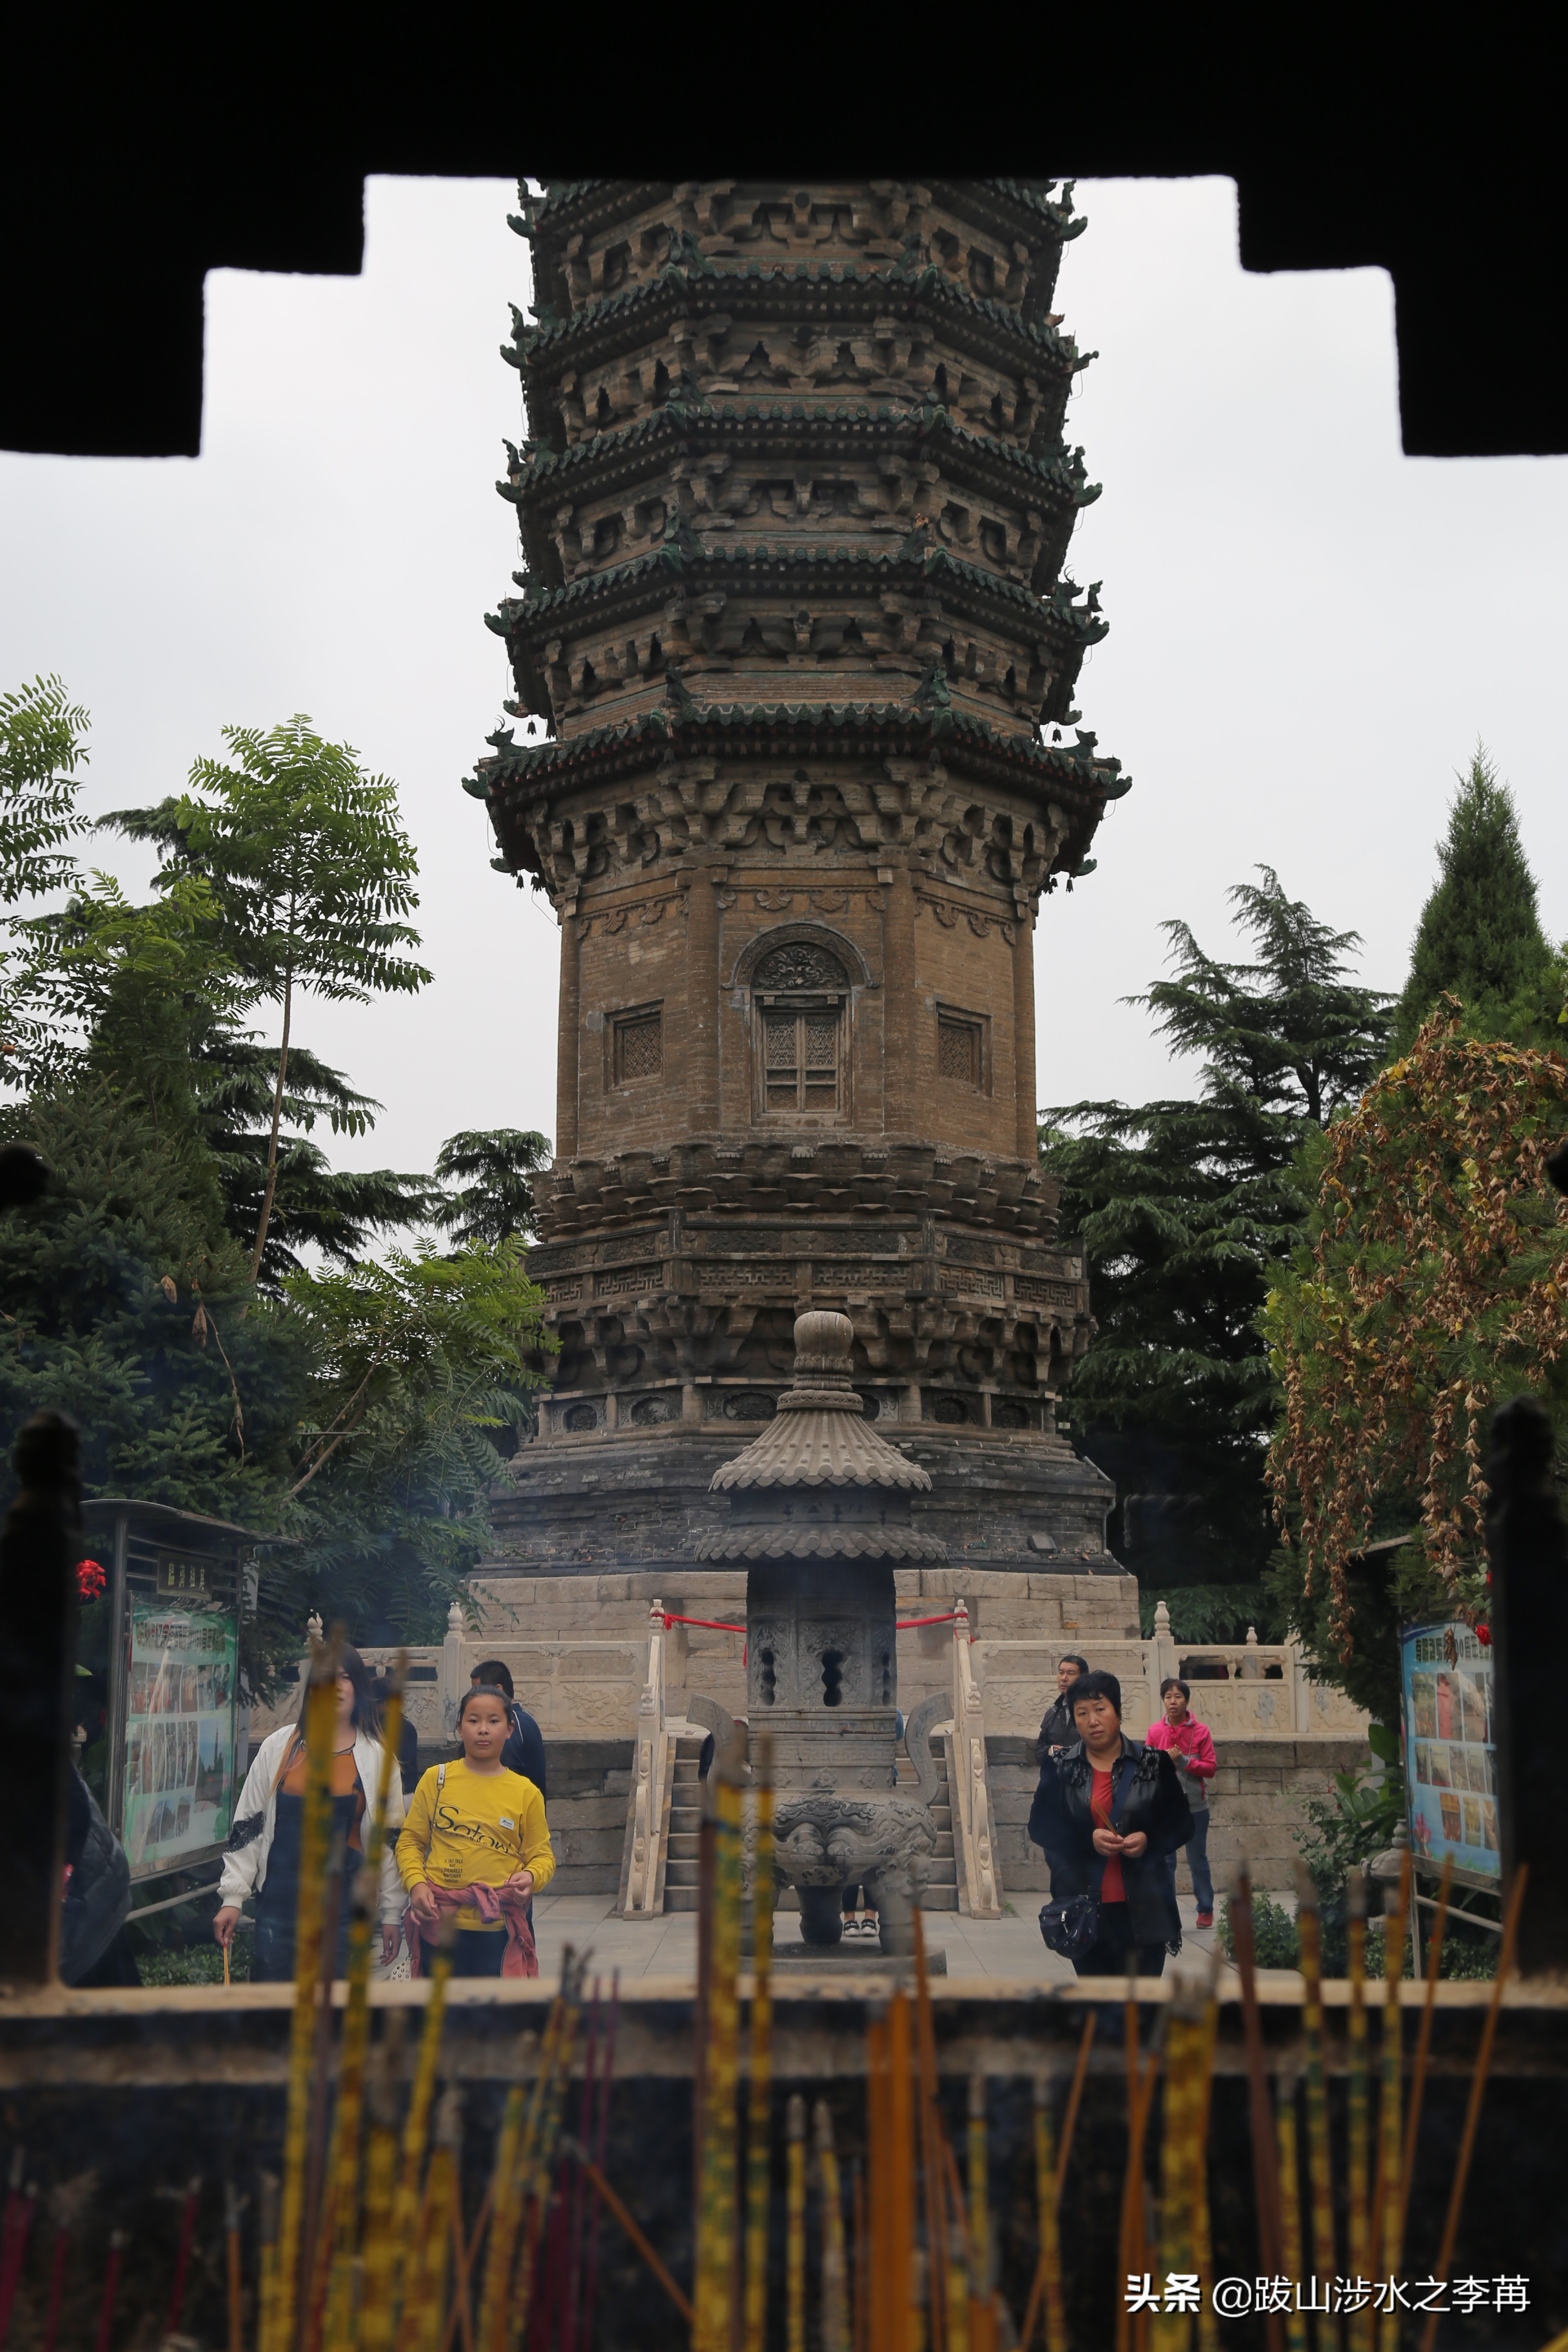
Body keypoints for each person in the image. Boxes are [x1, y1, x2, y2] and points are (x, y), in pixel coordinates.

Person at [214, 1647, 406, 1983]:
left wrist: (392, 1912)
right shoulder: (278, 1747)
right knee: (275, 2014)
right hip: (280, 1906)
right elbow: (248, 1826)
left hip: (346, 1909)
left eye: (345, 1678)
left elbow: (389, 1841)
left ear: (357, 1687)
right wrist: (233, 1896)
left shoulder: (378, 1758)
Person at [1028, 1668, 1191, 1979]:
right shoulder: (1060, 1767)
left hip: (1145, 1908)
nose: (1092, 1721)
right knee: (1100, 2012)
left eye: (1100, 1709)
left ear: (1117, 1711)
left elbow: (1182, 1823)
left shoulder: (1154, 1764)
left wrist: (1148, 1840)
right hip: (1084, 1909)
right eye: (1082, 1713)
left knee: (1141, 2011)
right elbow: (1040, 1826)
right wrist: (1088, 1840)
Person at [397, 1683, 554, 1979]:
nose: (483, 1730)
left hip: (497, 1932)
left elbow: (542, 1856)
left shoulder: (526, 1793)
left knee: (492, 2020)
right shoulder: (436, 1780)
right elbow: (411, 1842)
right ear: (460, 1728)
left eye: (493, 1721)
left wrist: (532, 1876)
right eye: (473, 1721)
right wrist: (416, 1884)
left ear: (509, 1729)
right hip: (439, 1925)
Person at [1145, 1676, 1217, 1928]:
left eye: (1178, 1697)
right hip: (1165, 1808)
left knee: (1197, 1859)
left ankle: (1206, 1909)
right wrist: (1164, 1760)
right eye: (1168, 1697)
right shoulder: (1155, 1731)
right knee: (1166, 1860)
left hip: (1195, 1806)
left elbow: (1210, 1768)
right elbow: (1147, 1767)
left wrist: (1185, 1762)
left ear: (1186, 1701)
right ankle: (1166, 1911)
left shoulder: (1201, 1731)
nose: (1172, 1702)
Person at [469, 1658, 547, 1799]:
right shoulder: (526, 1719)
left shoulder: (509, 1725)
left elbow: (504, 1779)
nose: (473, 1698)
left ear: (499, 1690)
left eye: (478, 1691)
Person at [1036, 1653, 1090, 1759]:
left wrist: (1068, 1753)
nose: (1064, 1678)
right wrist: (1050, 1751)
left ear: (1083, 1678)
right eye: (1061, 1673)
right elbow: (1039, 1751)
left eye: (1071, 1673)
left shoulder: (1093, 1712)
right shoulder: (1052, 1713)